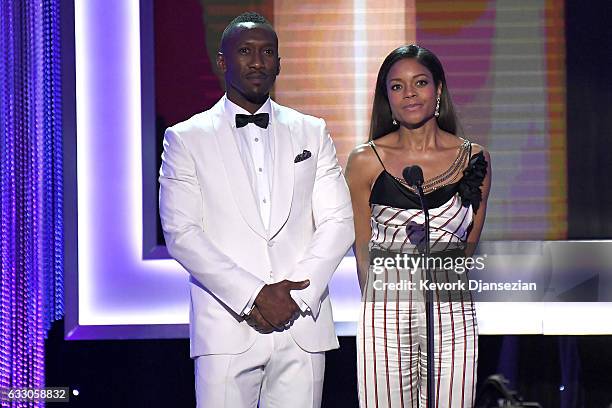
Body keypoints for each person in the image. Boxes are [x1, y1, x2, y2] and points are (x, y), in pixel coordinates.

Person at [158, 12, 354, 408]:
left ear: (279, 62)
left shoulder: (311, 131)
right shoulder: (185, 138)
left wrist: (294, 296)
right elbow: (182, 234)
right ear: (223, 61)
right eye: (245, 51)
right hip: (227, 326)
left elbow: (338, 222)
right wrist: (254, 296)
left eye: (268, 52)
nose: (258, 61)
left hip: (302, 324)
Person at [345, 44, 492, 407]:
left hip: (452, 308)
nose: (409, 93)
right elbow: (362, 248)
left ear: (438, 89)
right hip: (385, 309)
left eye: (420, 82)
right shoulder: (366, 160)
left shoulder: (474, 159)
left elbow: (468, 242)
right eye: (396, 86)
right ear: (387, 98)